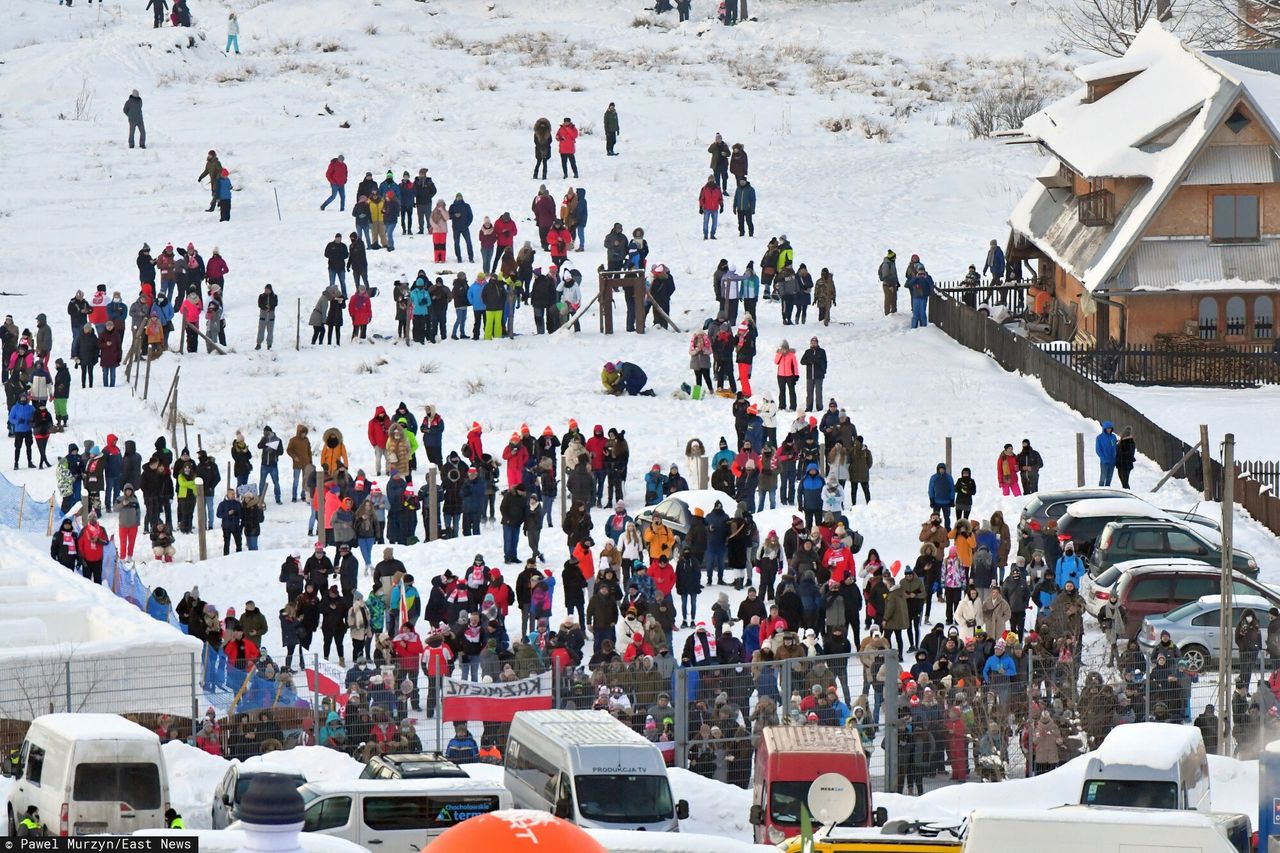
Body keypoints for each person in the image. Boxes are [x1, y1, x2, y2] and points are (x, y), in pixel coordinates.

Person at [800, 337, 826, 411]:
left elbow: (824, 362)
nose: (813, 343)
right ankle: (809, 407)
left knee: (818, 393)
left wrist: (823, 371)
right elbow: (802, 361)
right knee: (809, 393)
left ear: (817, 343)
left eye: (815, 342)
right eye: (812, 342)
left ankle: (819, 407)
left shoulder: (822, 351)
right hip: (809, 376)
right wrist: (809, 361)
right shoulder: (808, 351)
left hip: (819, 376)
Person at [906, 263, 934, 328]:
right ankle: (913, 328)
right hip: (915, 297)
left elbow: (931, 285)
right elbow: (909, 284)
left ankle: (923, 328)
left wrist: (926, 278)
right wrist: (916, 277)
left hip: (923, 297)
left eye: (922, 270)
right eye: (920, 270)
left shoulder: (928, 277)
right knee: (915, 314)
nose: (921, 272)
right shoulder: (915, 277)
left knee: (922, 314)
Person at [699, 176, 723, 240]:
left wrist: (722, 206)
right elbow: (701, 199)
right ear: (708, 180)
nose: (711, 181)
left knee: (715, 223)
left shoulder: (717, 188)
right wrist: (701, 207)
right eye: (710, 180)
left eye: (712, 180)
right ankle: (705, 235)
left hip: (715, 209)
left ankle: (712, 235)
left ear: (714, 180)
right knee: (705, 222)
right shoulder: (704, 188)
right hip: (707, 208)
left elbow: (720, 198)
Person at [1095, 421, 1118, 486]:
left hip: (1112, 461)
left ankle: (1107, 490)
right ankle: (1100, 491)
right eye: (1107, 428)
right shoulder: (1099, 438)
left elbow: (1115, 447)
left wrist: (1115, 457)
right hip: (1104, 462)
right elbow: (1098, 450)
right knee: (1103, 478)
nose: (1109, 429)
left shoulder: (1113, 437)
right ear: (1104, 428)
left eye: (1110, 428)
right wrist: (1103, 458)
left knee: (1109, 478)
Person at [256, 284, 278, 351]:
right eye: (265, 289)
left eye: (267, 289)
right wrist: (265, 307)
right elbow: (260, 304)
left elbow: (275, 303)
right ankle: (259, 343)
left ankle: (269, 344)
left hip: (271, 316)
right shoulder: (261, 296)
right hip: (263, 315)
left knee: (270, 331)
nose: (266, 291)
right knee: (261, 330)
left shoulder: (274, 296)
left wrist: (270, 307)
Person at [878, 250, 899, 315]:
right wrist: (890, 285)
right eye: (894, 257)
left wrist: (897, 282)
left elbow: (894, 274)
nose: (895, 258)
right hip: (887, 285)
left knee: (894, 299)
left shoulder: (892, 263)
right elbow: (885, 276)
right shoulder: (886, 264)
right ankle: (887, 314)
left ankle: (894, 313)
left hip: (893, 284)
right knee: (888, 299)